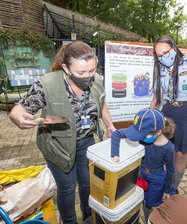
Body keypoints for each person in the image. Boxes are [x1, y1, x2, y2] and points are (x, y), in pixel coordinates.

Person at [9, 41, 116, 224]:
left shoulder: (96, 79)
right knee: (66, 188)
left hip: (86, 141)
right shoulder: (47, 84)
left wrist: (110, 125)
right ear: (66, 68)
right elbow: (19, 109)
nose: (88, 76)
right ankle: (69, 221)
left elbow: (102, 102)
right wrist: (17, 116)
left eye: (92, 70)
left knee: (86, 183)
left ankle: (88, 215)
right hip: (57, 146)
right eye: (81, 73)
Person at [150, 35, 187, 193]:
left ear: (174, 48)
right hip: (168, 110)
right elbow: (157, 97)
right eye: (159, 55)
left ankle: (173, 187)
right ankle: (164, 180)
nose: (163, 57)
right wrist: (149, 117)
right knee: (164, 148)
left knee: (181, 153)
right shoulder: (160, 67)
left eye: (166, 52)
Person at [111, 108, 176, 222]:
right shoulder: (144, 135)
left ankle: (154, 219)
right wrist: (115, 155)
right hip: (141, 173)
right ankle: (147, 218)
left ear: (158, 132)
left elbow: (171, 170)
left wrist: (166, 190)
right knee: (143, 200)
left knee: (154, 201)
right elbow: (117, 133)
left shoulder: (169, 148)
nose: (139, 137)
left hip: (157, 178)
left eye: (142, 135)